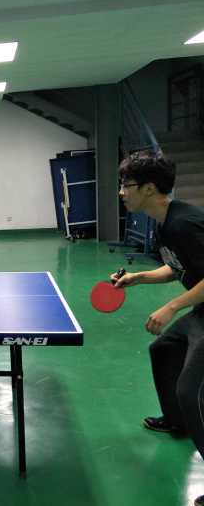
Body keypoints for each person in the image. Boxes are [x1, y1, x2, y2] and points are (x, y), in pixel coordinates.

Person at [112, 150, 204, 506]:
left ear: (149, 188)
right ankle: (176, 422)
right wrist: (138, 278)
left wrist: (172, 306)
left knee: (191, 391)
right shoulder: (164, 222)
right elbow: (178, 267)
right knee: (164, 349)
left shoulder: (184, 223)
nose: (122, 191)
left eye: (127, 184)